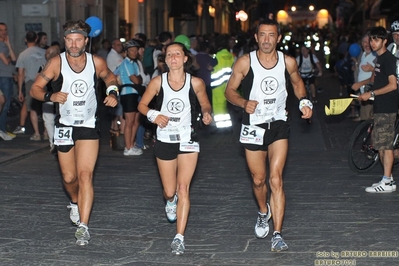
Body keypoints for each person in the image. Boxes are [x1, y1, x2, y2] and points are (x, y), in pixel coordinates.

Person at [224, 19, 313, 252]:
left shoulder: (288, 62)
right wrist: (244, 102)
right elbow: (229, 91)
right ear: (256, 37)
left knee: (275, 179)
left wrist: (304, 101)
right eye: (262, 35)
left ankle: (277, 234)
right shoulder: (245, 62)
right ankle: (263, 211)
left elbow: (298, 84)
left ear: (278, 38)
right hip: (253, 125)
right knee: (258, 179)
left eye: (271, 35)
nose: (266, 40)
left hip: (279, 124)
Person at [30, 20, 118, 245]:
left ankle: (84, 226)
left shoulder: (96, 62)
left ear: (86, 41)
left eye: (78, 40)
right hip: (64, 126)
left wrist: (113, 92)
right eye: (69, 40)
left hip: (88, 125)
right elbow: (35, 89)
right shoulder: (55, 63)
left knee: (85, 175)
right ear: (65, 41)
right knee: (69, 178)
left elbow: (110, 77)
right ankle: (75, 202)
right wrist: (51, 96)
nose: (74, 44)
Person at [138, 42, 212, 255]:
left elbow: (205, 104)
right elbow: (142, 106)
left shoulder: (195, 83)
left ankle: (179, 237)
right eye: (169, 55)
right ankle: (170, 202)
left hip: (188, 139)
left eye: (177, 54)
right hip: (164, 140)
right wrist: (154, 115)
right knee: (170, 191)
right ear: (165, 59)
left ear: (185, 58)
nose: (173, 58)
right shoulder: (157, 82)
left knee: (183, 188)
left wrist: (207, 114)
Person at [353, 26, 398, 193]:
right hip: (380, 105)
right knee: (381, 144)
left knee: (385, 146)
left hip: (387, 107)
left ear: (385, 41)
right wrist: (368, 91)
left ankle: (386, 181)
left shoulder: (388, 59)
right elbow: (378, 81)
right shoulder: (379, 59)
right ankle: (389, 179)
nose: (372, 43)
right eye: (371, 39)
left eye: (376, 40)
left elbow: (393, 85)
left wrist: (372, 92)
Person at [15, 31, 46, 140]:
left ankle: (37, 133)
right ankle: (46, 132)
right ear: (37, 38)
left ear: (25, 40)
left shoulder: (23, 54)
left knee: (33, 108)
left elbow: (20, 74)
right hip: (43, 81)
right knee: (44, 107)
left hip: (30, 82)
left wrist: (20, 91)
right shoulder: (44, 52)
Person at [118, 39, 143, 156]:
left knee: (136, 121)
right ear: (127, 52)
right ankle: (127, 148)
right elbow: (136, 79)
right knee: (129, 121)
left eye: (135, 50)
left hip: (135, 93)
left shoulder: (135, 63)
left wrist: (139, 80)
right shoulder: (126, 63)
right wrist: (138, 80)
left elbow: (139, 79)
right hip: (128, 94)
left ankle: (131, 145)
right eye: (131, 50)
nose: (134, 52)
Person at [351, 34, 376, 121]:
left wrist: (372, 69)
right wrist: (356, 65)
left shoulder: (375, 56)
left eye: (369, 41)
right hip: (363, 92)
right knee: (365, 121)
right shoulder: (362, 54)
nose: (367, 44)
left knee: (370, 121)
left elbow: (378, 75)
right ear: (361, 44)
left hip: (371, 92)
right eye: (365, 42)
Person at [0, 22, 16, 140]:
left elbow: (14, 58)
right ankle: (2, 130)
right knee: (4, 104)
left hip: (8, 76)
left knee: (7, 103)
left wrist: (9, 45)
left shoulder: (4, 44)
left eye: (5, 30)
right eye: (1, 30)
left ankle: (3, 129)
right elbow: (6, 61)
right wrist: (9, 57)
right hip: (3, 76)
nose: (4, 32)